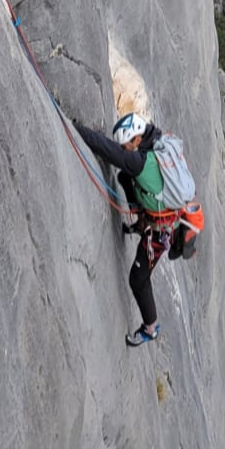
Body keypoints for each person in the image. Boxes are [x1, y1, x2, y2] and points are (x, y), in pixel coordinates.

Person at [73, 111, 170, 347]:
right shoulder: (154, 141)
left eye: (127, 144)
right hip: (160, 213)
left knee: (137, 279)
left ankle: (151, 327)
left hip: (161, 230)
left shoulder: (139, 160)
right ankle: (140, 221)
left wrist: (75, 128)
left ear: (137, 139)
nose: (125, 148)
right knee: (126, 177)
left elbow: (107, 149)